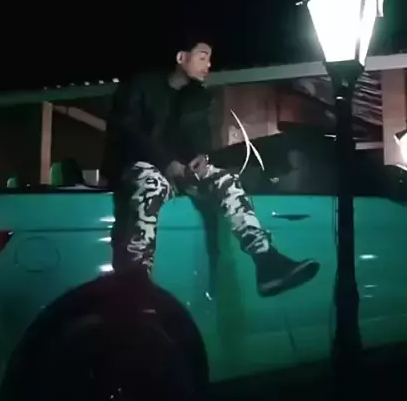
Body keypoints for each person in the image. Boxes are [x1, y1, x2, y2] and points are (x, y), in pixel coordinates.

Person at [101, 36, 319, 297]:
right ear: (181, 58)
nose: (209, 64)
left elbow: (199, 139)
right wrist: (166, 162)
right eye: (203, 57)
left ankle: (267, 261)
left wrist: (201, 158)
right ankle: (136, 282)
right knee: (153, 183)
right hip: (137, 168)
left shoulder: (199, 97)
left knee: (226, 180)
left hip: (178, 173)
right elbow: (129, 132)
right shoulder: (140, 86)